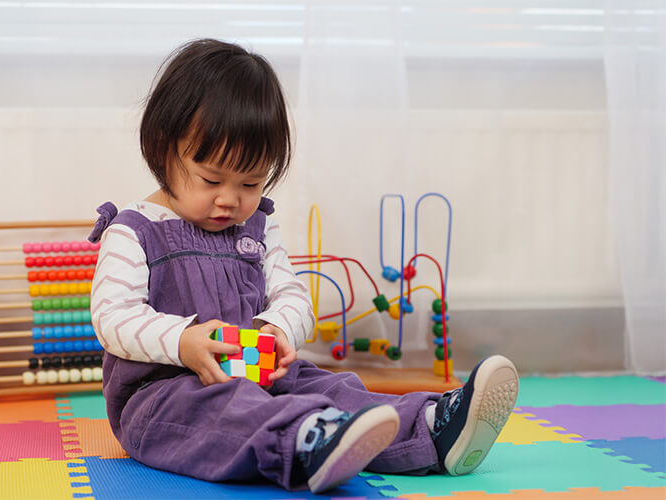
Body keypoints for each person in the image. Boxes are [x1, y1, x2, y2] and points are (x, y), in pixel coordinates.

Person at [88, 38, 519, 494]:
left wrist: (279, 330)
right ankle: (308, 440)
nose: (230, 199)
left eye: (251, 182)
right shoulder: (133, 231)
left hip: (259, 373)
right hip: (163, 395)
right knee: (222, 410)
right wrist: (183, 342)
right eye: (212, 179)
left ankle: (431, 428)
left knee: (330, 385)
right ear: (163, 147)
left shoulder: (255, 228)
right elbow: (112, 318)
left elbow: (292, 295)